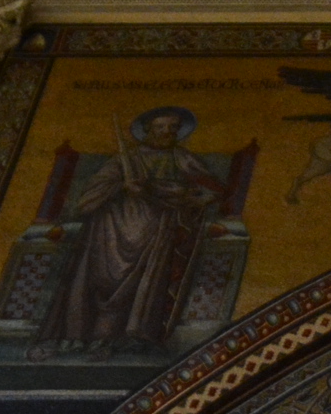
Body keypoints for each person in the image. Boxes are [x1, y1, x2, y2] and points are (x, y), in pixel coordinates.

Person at [33, 105, 228, 357]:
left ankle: (120, 339)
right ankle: (77, 337)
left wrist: (181, 195)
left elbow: (213, 189)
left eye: (172, 128)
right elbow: (89, 195)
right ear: (148, 130)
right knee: (95, 279)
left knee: (141, 285)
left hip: (155, 230)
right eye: (160, 127)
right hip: (110, 228)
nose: (166, 132)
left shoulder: (181, 158)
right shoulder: (126, 159)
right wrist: (121, 186)